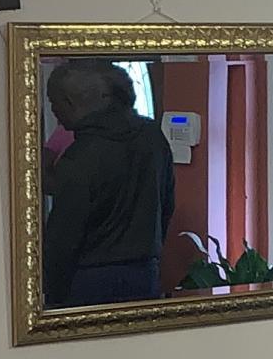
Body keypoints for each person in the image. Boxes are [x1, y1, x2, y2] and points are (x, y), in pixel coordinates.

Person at [40, 60, 175, 308]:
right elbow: (166, 206)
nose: (54, 110)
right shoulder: (153, 137)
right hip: (145, 272)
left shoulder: (81, 155)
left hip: (87, 279)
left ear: (71, 103)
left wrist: (51, 296)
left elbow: (64, 237)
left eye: (53, 101)